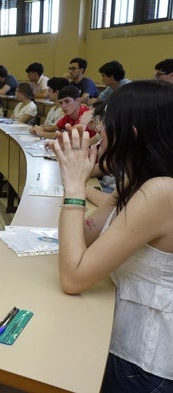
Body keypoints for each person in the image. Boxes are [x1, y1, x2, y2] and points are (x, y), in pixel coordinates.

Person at [48, 80, 173, 393]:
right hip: (123, 340)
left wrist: (76, 188)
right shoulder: (139, 181)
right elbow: (88, 236)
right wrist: (74, 180)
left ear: (130, 134)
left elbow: (73, 277)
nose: (96, 132)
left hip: (143, 365)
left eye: (104, 124)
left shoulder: (160, 192)